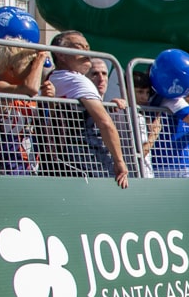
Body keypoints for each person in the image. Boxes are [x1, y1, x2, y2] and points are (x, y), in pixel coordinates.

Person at [45, 31, 130, 186]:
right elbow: (104, 123)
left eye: (87, 47)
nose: (87, 53)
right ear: (61, 55)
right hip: (88, 163)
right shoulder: (77, 80)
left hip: (64, 162)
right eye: (80, 47)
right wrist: (119, 161)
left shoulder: (53, 77)